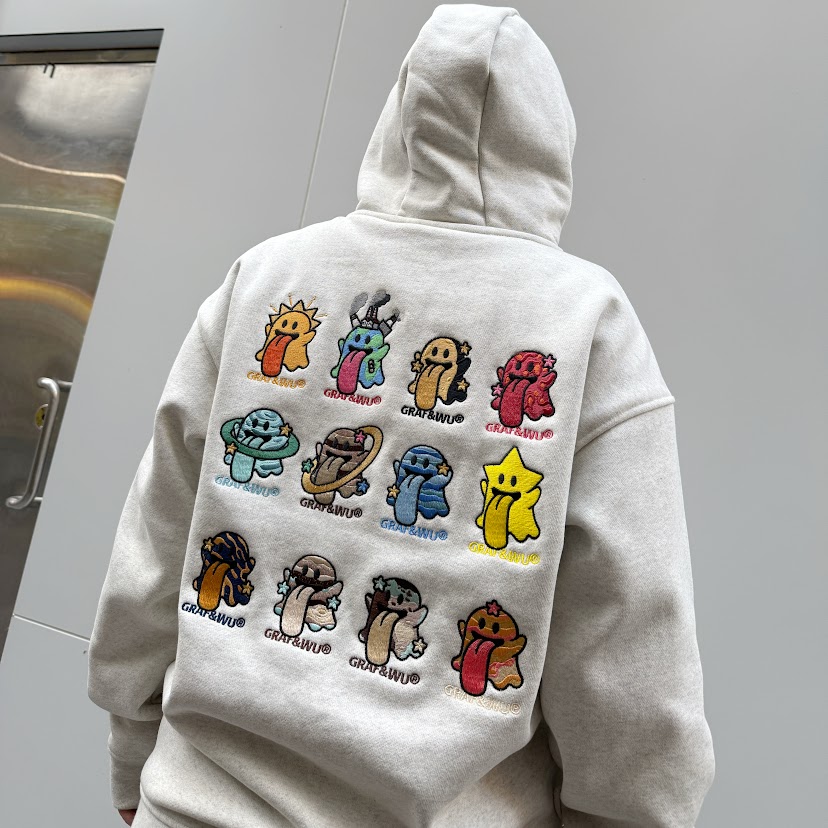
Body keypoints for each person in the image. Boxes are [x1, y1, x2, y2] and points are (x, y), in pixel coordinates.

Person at [87, 5, 715, 827]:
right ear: (549, 143)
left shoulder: (267, 277)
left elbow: (153, 550)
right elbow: (630, 653)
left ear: (399, 118)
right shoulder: (587, 323)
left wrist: (135, 769)